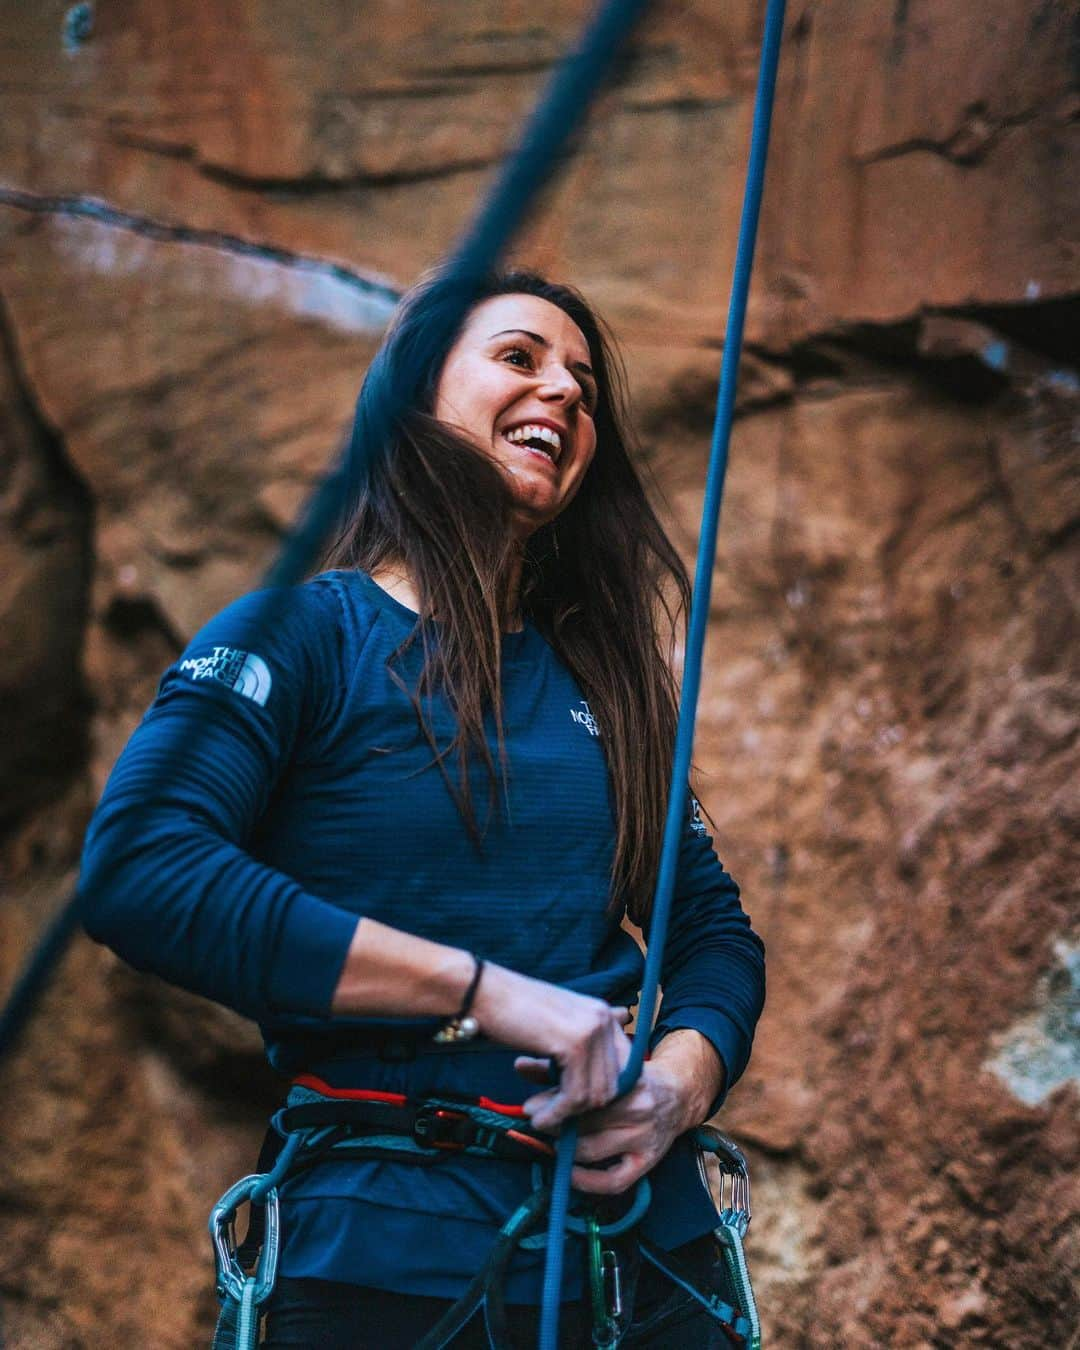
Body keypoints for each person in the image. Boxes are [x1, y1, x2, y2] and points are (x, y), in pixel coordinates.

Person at [81, 268, 766, 1347]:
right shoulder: (302, 638)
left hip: (641, 1256)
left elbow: (712, 931)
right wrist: (491, 994)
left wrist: (681, 1083)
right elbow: (140, 869)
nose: (566, 395)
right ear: (413, 396)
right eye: (520, 358)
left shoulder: (609, 679)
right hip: (387, 1252)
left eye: (585, 386)